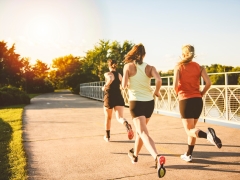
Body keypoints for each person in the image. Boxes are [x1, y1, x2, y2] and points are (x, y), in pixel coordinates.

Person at [122, 44, 166, 178]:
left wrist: (129, 83)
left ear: (133, 54)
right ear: (144, 55)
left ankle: (157, 157)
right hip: (149, 103)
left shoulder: (128, 67)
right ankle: (135, 156)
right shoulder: (150, 67)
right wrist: (157, 92)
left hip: (136, 102)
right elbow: (159, 80)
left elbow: (123, 86)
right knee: (141, 132)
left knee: (142, 132)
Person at [173, 44, 222, 162]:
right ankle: (189, 155)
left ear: (183, 54)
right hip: (197, 100)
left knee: (189, 130)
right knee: (193, 129)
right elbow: (208, 83)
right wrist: (201, 93)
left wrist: (177, 94)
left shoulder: (179, 67)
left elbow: (174, 86)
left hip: (185, 100)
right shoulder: (199, 67)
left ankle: (208, 136)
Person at [102, 59, 134, 142]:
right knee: (120, 117)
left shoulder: (107, 73)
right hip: (118, 96)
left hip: (109, 97)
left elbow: (110, 79)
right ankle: (126, 124)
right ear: (116, 66)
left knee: (108, 118)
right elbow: (125, 85)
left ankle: (107, 137)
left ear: (109, 66)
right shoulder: (119, 75)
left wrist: (105, 86)